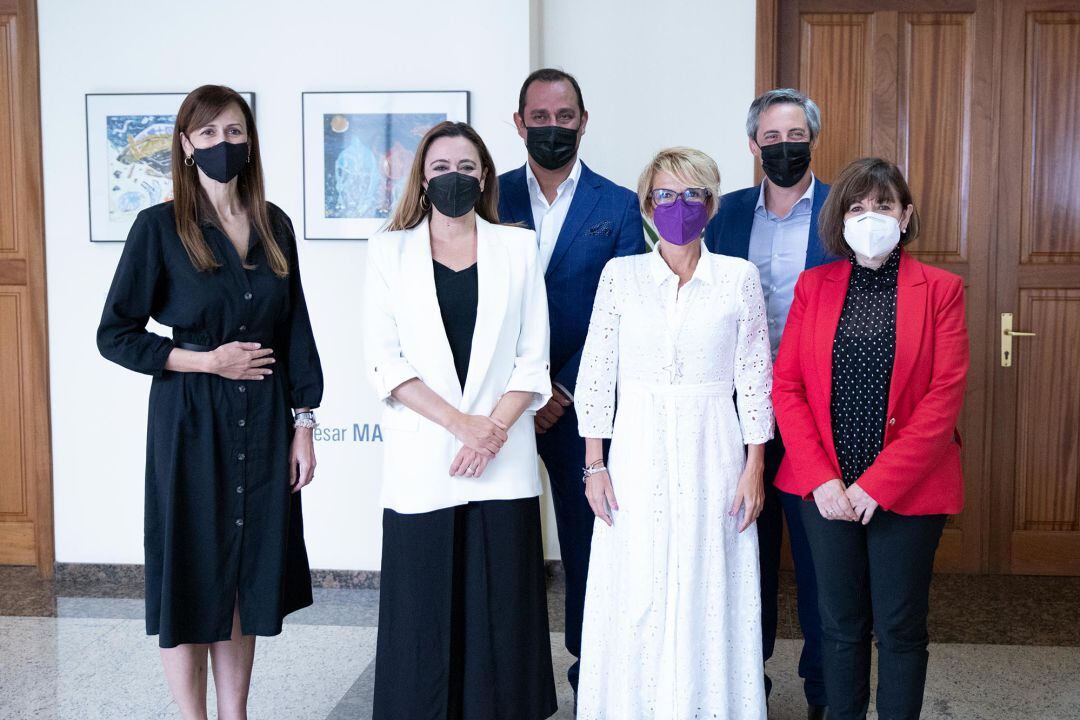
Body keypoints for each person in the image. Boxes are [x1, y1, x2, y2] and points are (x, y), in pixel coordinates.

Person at [96, 85, 322, 720]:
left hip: (266, 420)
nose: (225, 144)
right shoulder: (158, 228)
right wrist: (207, 360)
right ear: (186, 145)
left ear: (249, 141)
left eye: (235, 132)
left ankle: (235, 715)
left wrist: (304, 424)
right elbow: (114, 334)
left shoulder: (274, 224)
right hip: (191, 422)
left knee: (247, 577)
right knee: (194, 572)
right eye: (210, 133)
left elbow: (296, 328)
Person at [364, 121, 557, 720]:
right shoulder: (387, 250)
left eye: (467, 167)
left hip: (503, 456)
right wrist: (463, 426)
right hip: (427, 453)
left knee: (502, 600)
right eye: (442, 167)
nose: (455, 177)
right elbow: (383, 362)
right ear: (423, 176)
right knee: (423, 602)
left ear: (485, 176)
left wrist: (491, 430)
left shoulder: (518, 247)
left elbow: (534, 358)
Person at [575, 147, 772, 719]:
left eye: (691, 195)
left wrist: (755, 467)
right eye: (665, 194)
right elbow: (597, 373)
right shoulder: (621, 276)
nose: (678, 205)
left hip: (714, 447)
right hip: (636, 449)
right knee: (636, 579)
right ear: (647, 203)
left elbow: (755, 378)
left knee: (708, 579)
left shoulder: (738, 278)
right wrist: (595, 463)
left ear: (710, 205)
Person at [773, 157, 968, 720]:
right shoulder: (815, 286)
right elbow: (787, 388)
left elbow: (943, 397)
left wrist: (877, 485)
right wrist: (821, 479)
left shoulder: (941, 290)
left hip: (908, 490)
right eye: (857, 207)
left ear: (905, 215)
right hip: (826, 489)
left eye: (883, 206)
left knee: (901, 628)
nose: (870, 217)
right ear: (840, 219)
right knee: (837, 626)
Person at [497, 68, 646, 699]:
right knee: (500, 544)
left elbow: (622, 311)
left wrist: (560, 389)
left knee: (588, 545)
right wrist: (517, 392)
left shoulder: (616, 206)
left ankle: (594, 674)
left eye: (565, 117)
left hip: (579, 406)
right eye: (540, 117)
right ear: (519, 122)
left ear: (583, 122)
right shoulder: (486, 195)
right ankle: (505, 676)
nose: (552, 128)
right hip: (495, 406)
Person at [704, 87, 830, 717]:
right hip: (735, 412)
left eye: (795, 137)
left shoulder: (843, 211)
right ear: (753, 146)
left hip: (818, 416)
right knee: (740, 554)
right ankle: (743, 684)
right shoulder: (720, 215)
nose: (784, 148)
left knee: (817, 563)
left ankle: (822, 692)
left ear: (813, 139)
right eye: (771, 139)